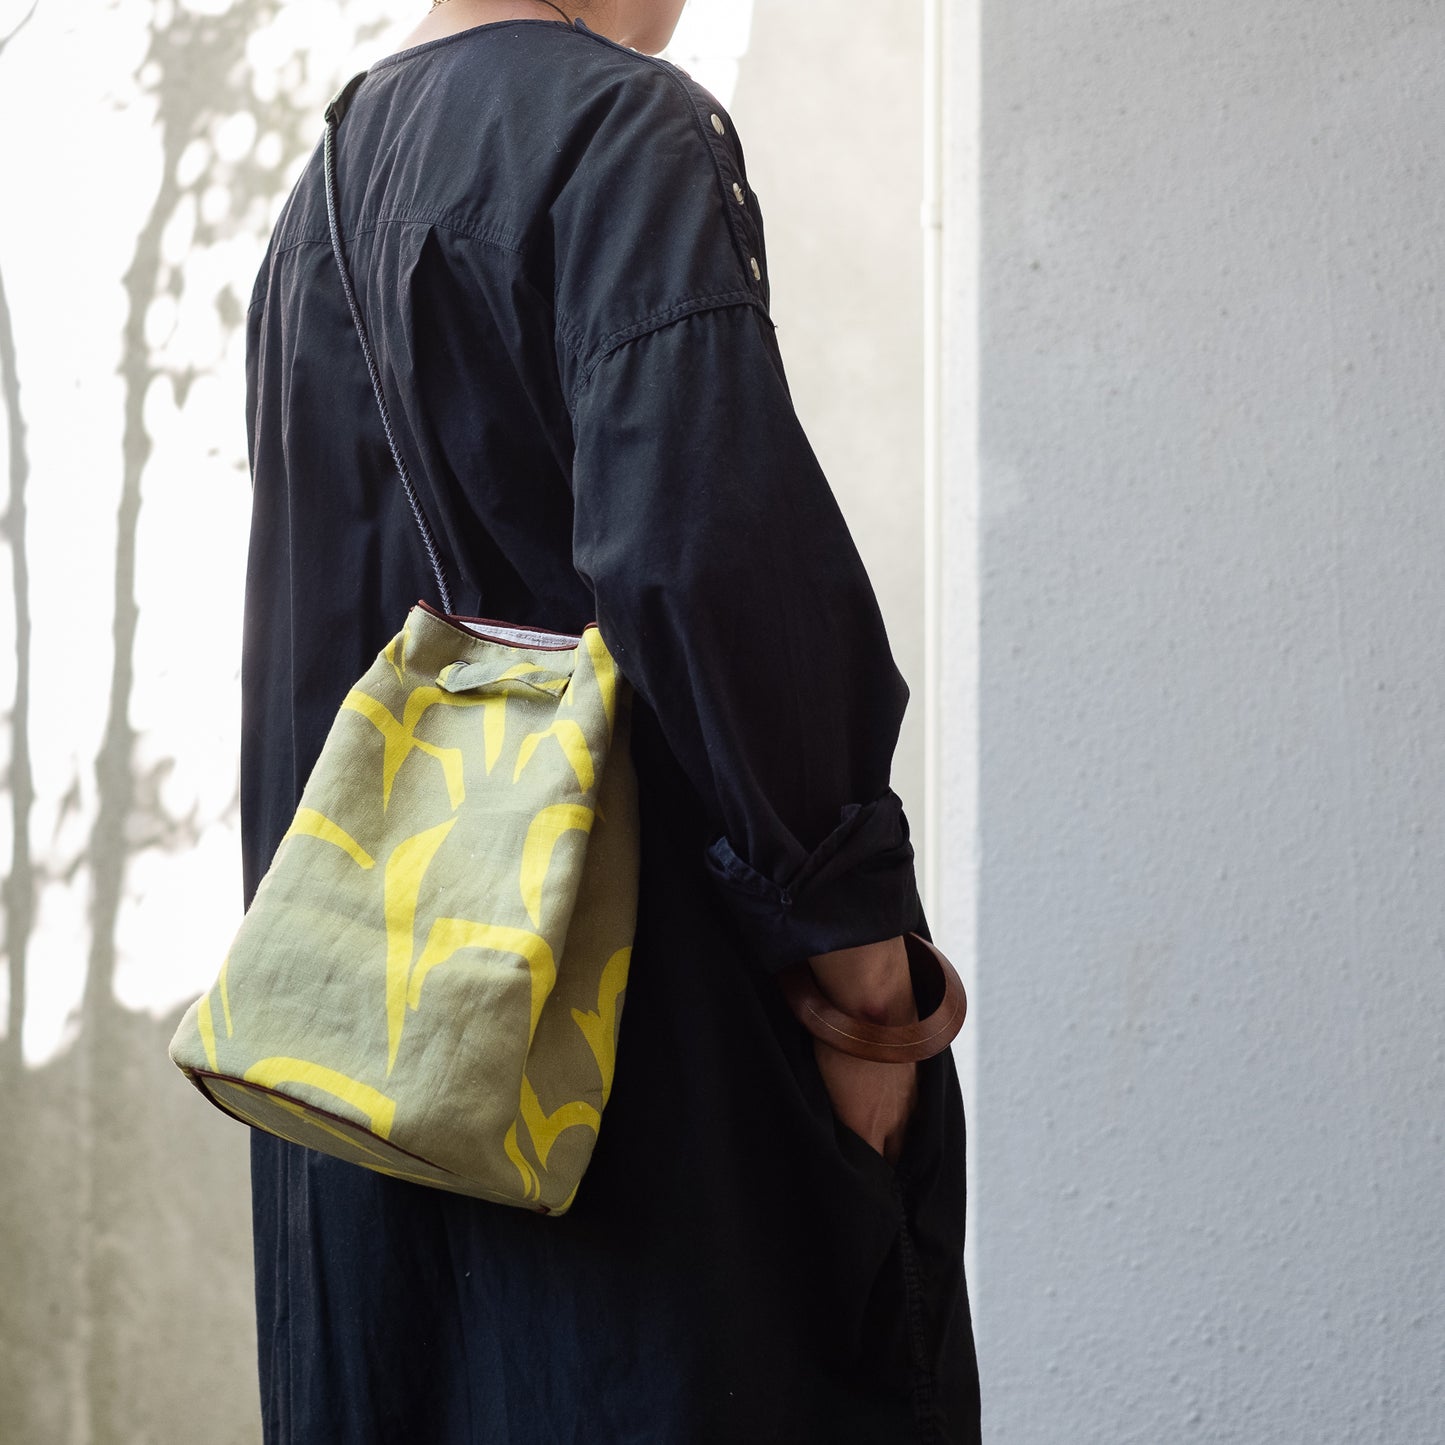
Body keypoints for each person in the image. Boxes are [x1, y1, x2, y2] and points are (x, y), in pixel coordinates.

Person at [240, 0, 980, 1439]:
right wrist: (869, 1001)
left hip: (389, 1088)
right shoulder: (622, 129)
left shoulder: (315, 202)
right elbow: (711, 562)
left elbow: (305, 656)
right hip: (655, 1087)